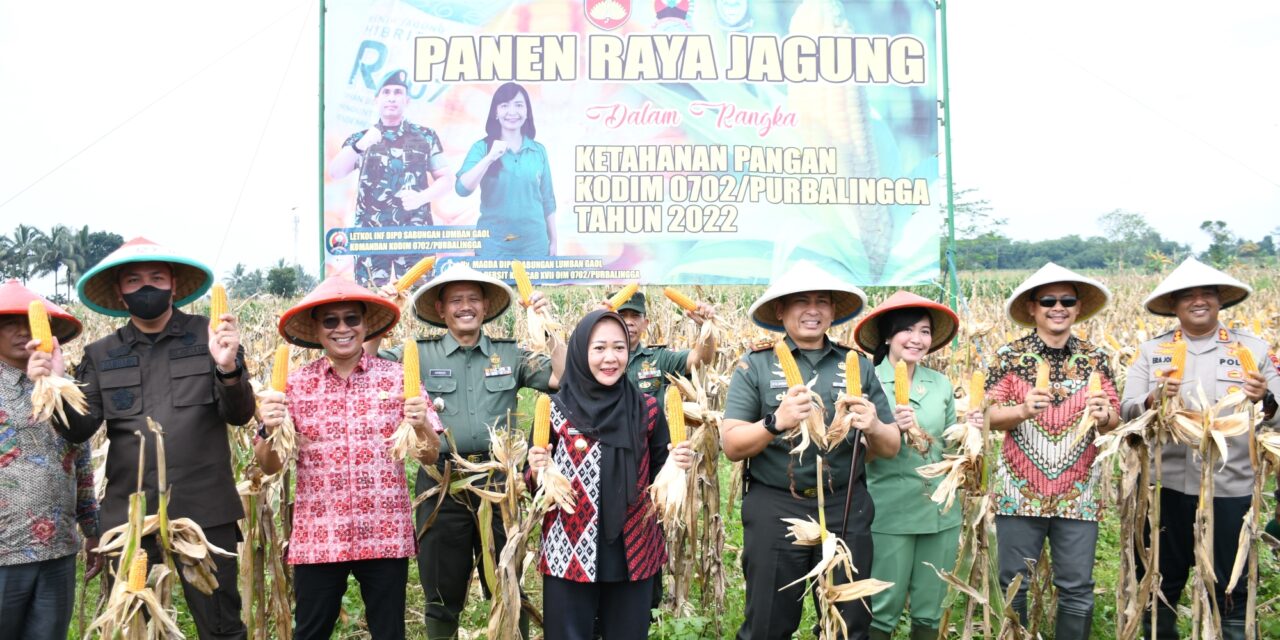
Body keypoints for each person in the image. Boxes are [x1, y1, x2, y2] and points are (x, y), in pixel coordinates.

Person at [48, 237, 254, 640]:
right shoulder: (101, 354)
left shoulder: (210, 337)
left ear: (174, 286)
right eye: (133, 280)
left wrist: (228, 367)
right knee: (133, 627)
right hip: (130, 516)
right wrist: (55, 384)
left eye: (157, 277)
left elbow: (240, 414)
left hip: (205, 510)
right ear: (120, 295)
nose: (146, 287)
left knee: (222, 626)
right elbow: (79, 429)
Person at [369, 262, 566, 640]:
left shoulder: (510, 355)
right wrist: (382, 315)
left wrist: (548, 324)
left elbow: (563, 377)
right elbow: (366, 367)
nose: (465, 306)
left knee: (508, 586)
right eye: (455, 300)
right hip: (441, 485)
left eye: (473, 299)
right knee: (442, 595)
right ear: (441, 310)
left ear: (486, 307)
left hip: (500, 487)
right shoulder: (418, 355)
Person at [721, 261, 900, 640]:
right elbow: (732, 445)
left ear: (834, 311)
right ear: (781, 311)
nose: (813, 310)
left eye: (822, 301)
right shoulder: (754, 364)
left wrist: (875, 426)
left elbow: (890, 445)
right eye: (801, 301)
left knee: (848, 625)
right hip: (776, 506)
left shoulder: (857, 364)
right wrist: (776, 421)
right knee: (768, 623)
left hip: (845, 504)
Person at [256, 276, 442, 640]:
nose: (342, 329)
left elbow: (430, 455)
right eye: (331, 321)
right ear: (317, 329)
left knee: (389, 632)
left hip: (384, 530)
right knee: (310, 631)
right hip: (319, 534)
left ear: (365, 325)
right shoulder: (293, 385)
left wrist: (422, 427)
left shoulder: (398, 379)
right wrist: (266, 429)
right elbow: (269, 465)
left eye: (351, 319)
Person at [1121, 257, 1280, 640]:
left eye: (1207, 294)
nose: (1198, 301)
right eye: (1187, 296)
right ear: (1173, 306)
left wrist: (1266, 399)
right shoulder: (1151, 352)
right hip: (1165, 487)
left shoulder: (1254, 349)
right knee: (1160, 583)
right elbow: (1126, 411)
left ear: (1219, 301)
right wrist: (1153, 399)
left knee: (1232, 584)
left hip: (1232, 486)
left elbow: (1277, 417)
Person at [527, 309, 695, 639]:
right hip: (569, 553)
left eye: (619, 348)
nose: (610, 358)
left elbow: (661, 478)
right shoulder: (555, 410)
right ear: (580, 352)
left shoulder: (647, 409)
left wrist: (678, 465)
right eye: (599, 348)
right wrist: (537, 470)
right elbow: (534, 487)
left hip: (633, 551)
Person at [984, 262, 1120, 640]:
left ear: (1078, 308)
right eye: (1047, 300)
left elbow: (1116, 419)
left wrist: (1104, 414)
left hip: (1078, 493)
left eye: (1066, 301)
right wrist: (1023, 410)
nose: (1057, 307)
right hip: (1018, 492)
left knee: (1077, 588)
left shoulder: (1097, 357)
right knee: (1014, 586)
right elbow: (985, 417)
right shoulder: (1009, 357)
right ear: (1032, 307)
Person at [853, 291, 979, 640]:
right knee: (883, 605)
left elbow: (952, 449)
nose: (917, 339)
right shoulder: (866, 382)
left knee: (931, 604)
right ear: (888, 337)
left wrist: (971, 433)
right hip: (888, 511)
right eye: (907, 330)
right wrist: (885, 428)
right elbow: (854, 456)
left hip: (940, 512)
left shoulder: (938, 384)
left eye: (924, 331)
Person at [1, 280, 100, 639]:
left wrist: (93, 531)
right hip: (4, 550)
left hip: (57, 548)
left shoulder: (66, 387)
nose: (24, 331)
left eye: (31, 322)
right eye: (11, 323)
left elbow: (83, 462)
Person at [328, 69, 453, 285]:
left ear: (407, 99)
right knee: (372, 301)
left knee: (419, 299)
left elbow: (447, 179)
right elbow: (335, 172)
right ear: (377, 99)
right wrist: (359, 146)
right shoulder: (361, 138)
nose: (392, 97)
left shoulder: (425, 136)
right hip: (372, 237)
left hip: (415, 234)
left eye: (398, 92)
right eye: (386, 92)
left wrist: (421, 197)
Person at [455, 82, 557, 257]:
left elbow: (547, 200)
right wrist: (489, 158)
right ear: (496, 112)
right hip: (493, 246)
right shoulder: (482, 148)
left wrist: (554, 241)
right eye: (504, 105)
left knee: (533, 285)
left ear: (527, 111)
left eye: (519, 105)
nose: (512, 112)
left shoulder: (538, 151)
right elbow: (462, 189)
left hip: (534, 246)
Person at [611, 290, 717, 404]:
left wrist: (706, 326)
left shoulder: (660, 358)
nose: (628, 322)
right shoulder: (596, 360)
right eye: (622, 315)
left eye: (635, 316)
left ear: (645, 324)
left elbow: (700, 359)